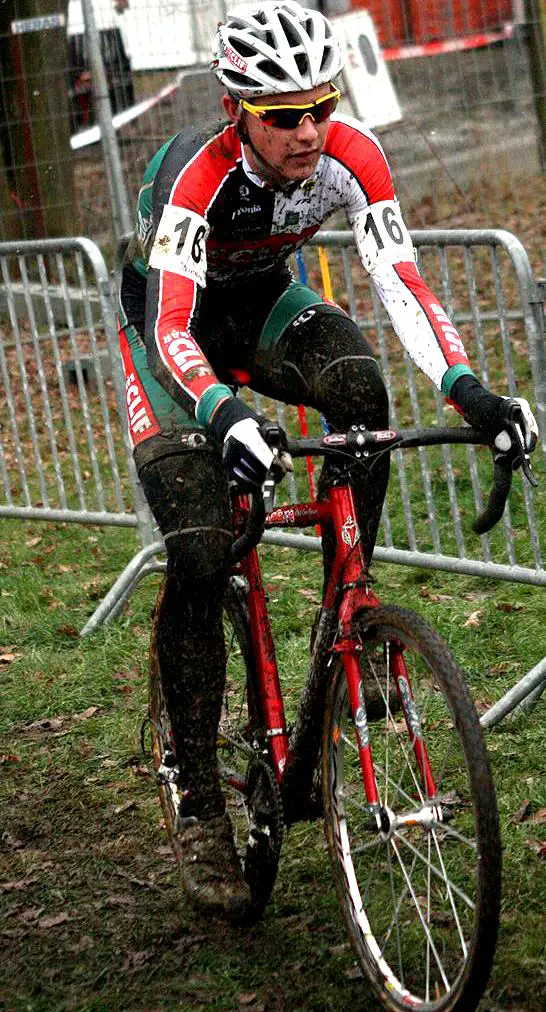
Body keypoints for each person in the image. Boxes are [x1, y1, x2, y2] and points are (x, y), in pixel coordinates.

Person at [118, 0, 537, 920]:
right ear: (238, 110)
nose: (309, 131)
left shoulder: (349, 154)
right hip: (169, 332)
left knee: (359, 391)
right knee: (199, 547)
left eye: (321, 106)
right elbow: (170, 322)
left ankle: (349, 615)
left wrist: (469, 388)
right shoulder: (196, 175)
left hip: (266, 303)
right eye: (283, 116)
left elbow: (399, 277)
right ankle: (196, 793)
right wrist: (226, 414)